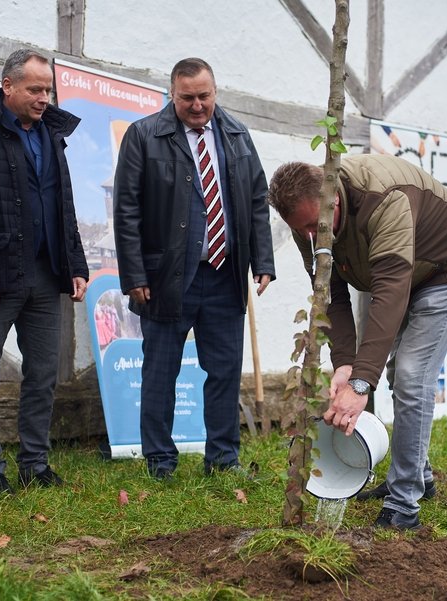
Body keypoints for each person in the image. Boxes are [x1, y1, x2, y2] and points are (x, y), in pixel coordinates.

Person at [268, 154, 447, 529]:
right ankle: (419, 474)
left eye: (312, 226)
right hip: (389, 269)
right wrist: (345, 364)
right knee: (389, 370)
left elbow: (390, 293)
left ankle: (404, 505)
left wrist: (359, 384)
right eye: (300, 229)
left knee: (411, 373)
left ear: (333, 200)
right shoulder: (308, 224)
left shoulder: (385, 198)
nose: (308, 237)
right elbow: (330, 292)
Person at [113, 57, 275, 479]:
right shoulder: (144, 136)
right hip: (166, 277)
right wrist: (134, 276)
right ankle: (160, 461)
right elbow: (126, 209)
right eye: (187, 98)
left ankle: (223, 460)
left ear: (215, 92)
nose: (197, 105)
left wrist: (263, 260)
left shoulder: (237, 135)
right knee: (160, 371)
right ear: (172, 94)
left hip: (224, 274)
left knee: (223, 371)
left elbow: (257, 199)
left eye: (204, 96)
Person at [0, 49, 89, 494]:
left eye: (48, 89)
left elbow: (63, 203)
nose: (43, 98)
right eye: (35, 89)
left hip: (46, 273)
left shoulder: (52, 134)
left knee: (42, 374)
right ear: (8, 86)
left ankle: (34, 463)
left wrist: (75, 263)